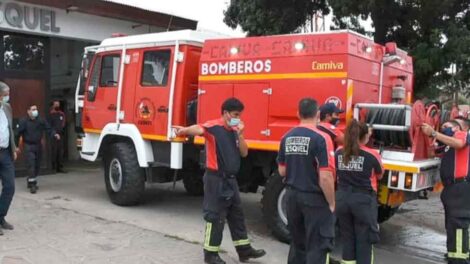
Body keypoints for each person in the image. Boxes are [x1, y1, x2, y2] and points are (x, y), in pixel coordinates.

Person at [173, 97, 266, 264]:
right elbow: (199, 129)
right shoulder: (214, 127)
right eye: (236, 114)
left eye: (240, 115)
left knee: (237, 215)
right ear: (226, 113)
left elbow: (244, 153)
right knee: (214, 217)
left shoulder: (235, 130)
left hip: (231, 180)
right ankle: (210, 255)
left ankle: (244, 250)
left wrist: (241, 134)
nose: (238, 117)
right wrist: (184, 130)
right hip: (215, 179)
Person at [277, 98, 336, 264]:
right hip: (314, 199)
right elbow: (325, 176)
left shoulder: (286, 137)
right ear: (318, 114)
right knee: (318, 246)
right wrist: (331, 203)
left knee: (297, 244)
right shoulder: (322, 138)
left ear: (298, 114)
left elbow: (282, 170)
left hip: (292, 197)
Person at [335, 120, 384, 264]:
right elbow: (380, 174)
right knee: (364, 241)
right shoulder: (372, 155)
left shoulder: (339, 152)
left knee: (347, 240)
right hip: (363, 201)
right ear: (364, 137)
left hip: (342, 199)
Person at [422, 120, 470, 264]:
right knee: (451, 223)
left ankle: (459, 259)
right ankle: (453, 254)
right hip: (451, 188)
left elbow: (459, 144)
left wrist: (434, 133)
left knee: (458, 223)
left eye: (447, 127)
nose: (444, 128)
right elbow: (432, 153)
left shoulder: (462, 134)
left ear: (457, 127)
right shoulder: (448, 144)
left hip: (461, 186)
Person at [17, 104, 60, 194]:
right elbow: (18, 133)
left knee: (37, 165)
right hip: (28, 145)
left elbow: (48, 129)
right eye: (33, 109)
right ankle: (33, 184)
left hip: (38, 145)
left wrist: (54, 134)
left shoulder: (40, 120)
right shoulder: (23, 122)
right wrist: (16, 146)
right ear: (28, 111)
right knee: (31, 164)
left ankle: (30, 179)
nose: (35, 111)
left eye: (36, 109)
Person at [0, 81, 17, 235]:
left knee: (10, 186)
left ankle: (1, 217)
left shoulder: (7, 108)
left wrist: (14, 148)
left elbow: (9, 129)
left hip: (5, 153)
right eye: (5, 94)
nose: (8, 97)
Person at [48, 100, 66, 173]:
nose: (57, 106)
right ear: (53, 105)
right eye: (56, 104)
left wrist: (61, 130)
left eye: (58, 104)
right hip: (53, 135)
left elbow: (63, 123)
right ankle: (53, 167)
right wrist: (54, 133)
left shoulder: (61, 114)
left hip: (60, 134)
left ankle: (60, 167)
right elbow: (49, 125)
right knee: (54, 151)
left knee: (60, 151)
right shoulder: (51, 114)